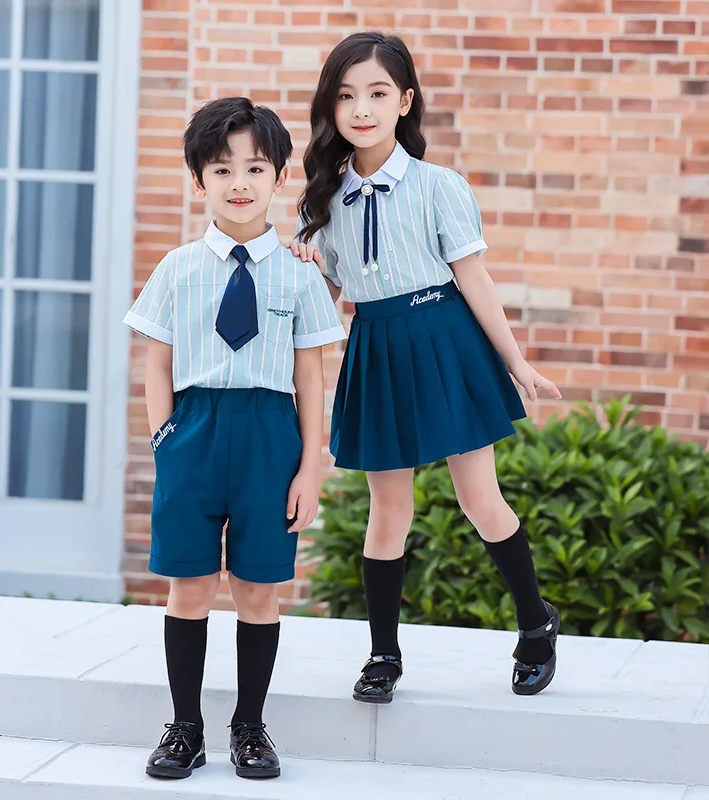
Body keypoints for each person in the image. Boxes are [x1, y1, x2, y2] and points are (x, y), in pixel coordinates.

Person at [289, 32, 563, 704]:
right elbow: (319, 309)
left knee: (479, 498)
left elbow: (473, 277)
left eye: (378, 92)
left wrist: (515, 360)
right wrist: (299, 277)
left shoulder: (439, 186)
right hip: (375, 346)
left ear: (404, 101)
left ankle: (536, 625)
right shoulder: (323, 203)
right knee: (390, 510)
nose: (361, 108)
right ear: (332, 107)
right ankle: (384, 655)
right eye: (346, 95)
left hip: (444, 340)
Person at [125, 96, 345, 780]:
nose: (240, 183)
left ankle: (250, 727)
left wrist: (310, 466)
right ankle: (184, 728)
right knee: (188, 587)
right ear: (200, 182)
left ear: (280, 175)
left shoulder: (300, 275)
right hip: (194, 431)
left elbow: (310, 375)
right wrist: (166, 435)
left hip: (268, 437)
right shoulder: (176, 268)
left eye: (255, 167)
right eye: (223, 170)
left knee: (257, 589)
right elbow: (155, 358)